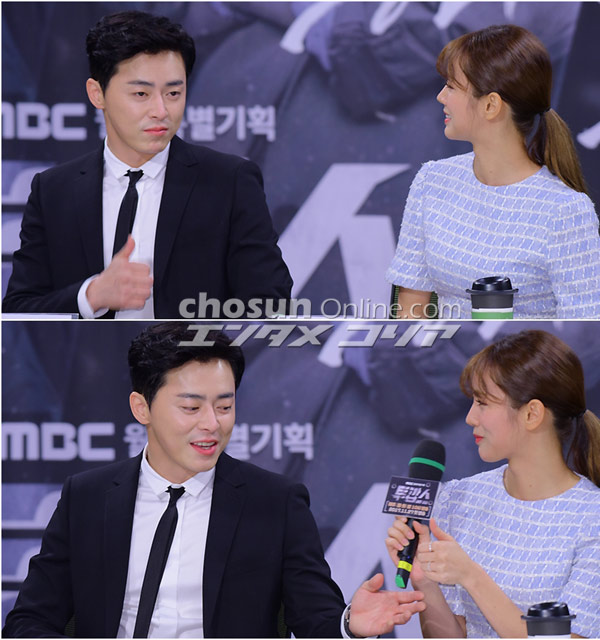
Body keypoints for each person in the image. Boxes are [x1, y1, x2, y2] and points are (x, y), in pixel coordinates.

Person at [3, 322, 425, 638]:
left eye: (224, 406)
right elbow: (29, 621)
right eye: (191, 408)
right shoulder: (87, 497)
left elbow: (316, 619)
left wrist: (349, 624)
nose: (212, 424)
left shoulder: (275, 502)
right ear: (141, 407)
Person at [2, 10, 292, 319]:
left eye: (174, 93)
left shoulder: (229, 182)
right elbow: (18, 311)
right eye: (141, 93)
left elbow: (271, 304)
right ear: (97, 94)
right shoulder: (53, 190)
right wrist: (92, 295)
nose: (161, 110)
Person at [386, 330, 600, 638]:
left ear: (532, 414)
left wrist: (471, 576)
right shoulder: (458, 499)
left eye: (482, 403)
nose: (470, 417)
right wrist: (425, 581)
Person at [386, 24, 600, 319]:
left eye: (451, 87)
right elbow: (411, 306)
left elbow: (596, 324)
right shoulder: (431, 181)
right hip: (443, 349)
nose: (441, 97)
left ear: (491, 105)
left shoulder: (564, 210)